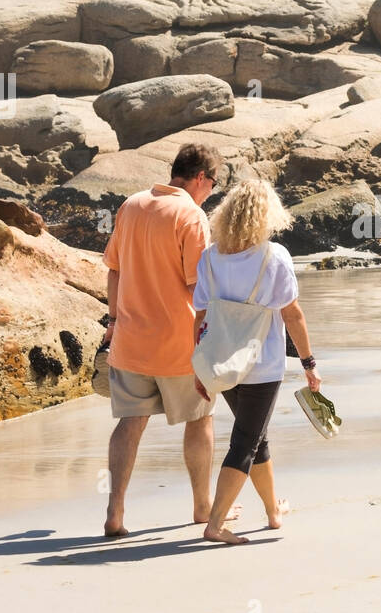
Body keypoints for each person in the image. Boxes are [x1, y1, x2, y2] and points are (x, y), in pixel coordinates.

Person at [101, 143, 233, 537]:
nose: (211, 192)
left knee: (130, 422)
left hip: (130, 340)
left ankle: (115, 513)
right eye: (212, 184)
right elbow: (200, 287)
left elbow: (113, 272)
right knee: (201, 419)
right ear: (200, 179)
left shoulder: (131, 205)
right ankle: (202, 507)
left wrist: (112, 320)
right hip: (179, 343)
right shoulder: (190, 215)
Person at [192, 179, 322, 546]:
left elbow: (199, 316)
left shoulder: (210, 258)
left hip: (221, 363)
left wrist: (197, 365)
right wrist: (308, 362)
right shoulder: (274, 256)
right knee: (246, 441)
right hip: (262, 366)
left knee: (256, 438)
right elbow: (293, 315)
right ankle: (215, 523)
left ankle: (272, 512)